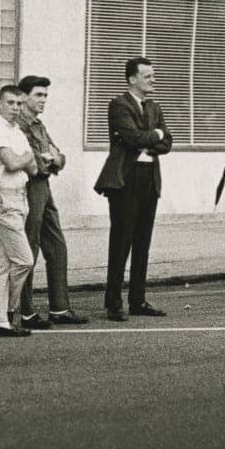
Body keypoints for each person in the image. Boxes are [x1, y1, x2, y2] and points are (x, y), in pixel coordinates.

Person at [93, 57, 173, 322]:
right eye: (147, 76)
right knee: (121, 241)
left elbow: (167, 142)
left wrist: (152, 138)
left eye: (153, 75)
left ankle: (137, 299)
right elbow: (132, 137)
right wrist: (155, 135)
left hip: (150, 177)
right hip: (125, 180)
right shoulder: (118, 105)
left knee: (143, 243)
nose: (153, 80)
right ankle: (113, 302)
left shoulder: (154, 106)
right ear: (132, 79)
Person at [13, 75, 88, 328]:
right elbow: (33, 161)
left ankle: (59, 308)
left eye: (45, 95)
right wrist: (48, 159)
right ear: (24, 97)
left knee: (56, 245)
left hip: (44, 187)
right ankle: (25, 311)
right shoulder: (18, 126)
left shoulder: (38, 125)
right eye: (39, 95)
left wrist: (51, 158)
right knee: (29, 247)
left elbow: (60, 157)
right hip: (27, 188)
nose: (44, 100)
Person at [0, 85, 39, 339]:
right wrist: (26, 156)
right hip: (3, 197)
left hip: (20, 197)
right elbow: (15, 162)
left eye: (19, 103)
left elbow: (35, 169)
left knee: (5, 263)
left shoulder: (17, 131)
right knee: (24, 259)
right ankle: (8, 309)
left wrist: (25, 158)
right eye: (11, 103)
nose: (15, 108)